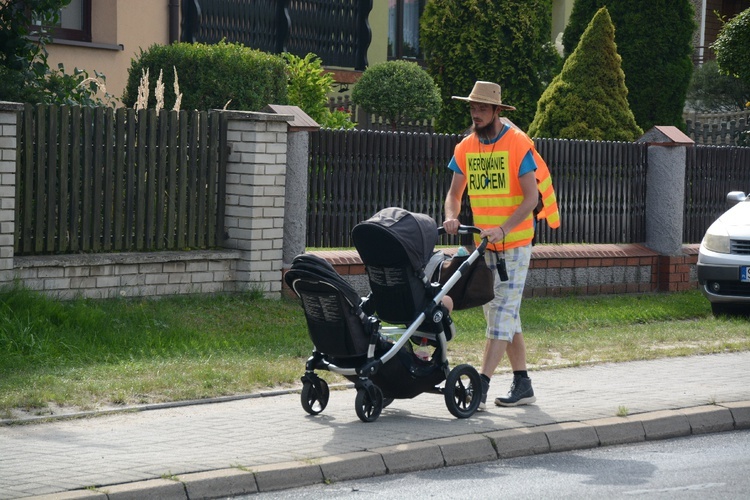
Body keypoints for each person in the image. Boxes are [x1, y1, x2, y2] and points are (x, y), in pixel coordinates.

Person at [443, 81, 559, 410]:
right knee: (503, 316)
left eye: (482, 108)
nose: (475, 114)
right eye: (472, 108)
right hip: (484, 245)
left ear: (496, 111)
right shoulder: (465, 147)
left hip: (516, 243)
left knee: (501, 317)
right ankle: (523, 384)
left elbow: (531, 198)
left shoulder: (517, 144)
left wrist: (504, 229)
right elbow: (454, 193)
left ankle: (479, 386)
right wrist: (452, 216)